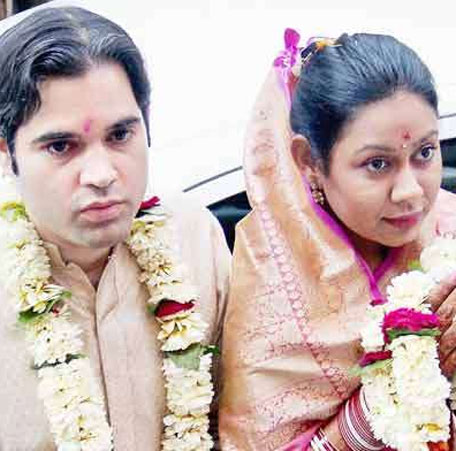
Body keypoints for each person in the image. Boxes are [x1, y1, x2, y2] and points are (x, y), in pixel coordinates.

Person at [0, 6, 230, 450]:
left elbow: (238, 420)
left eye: (120, 135)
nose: (101, 174)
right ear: (6, 154)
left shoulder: (194, 237)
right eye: (62, 146)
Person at [219, 30, 456, 450]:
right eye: (377, 163)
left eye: (424, 153)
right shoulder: (275, 294)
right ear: (310, 161)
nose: (410, 191)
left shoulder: (450, 226)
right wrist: (381, 404)